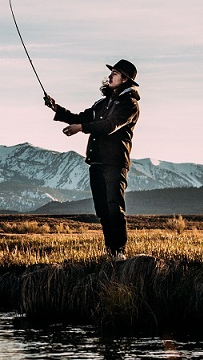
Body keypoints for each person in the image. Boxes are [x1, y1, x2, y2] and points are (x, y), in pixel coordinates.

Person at [44, 59, 140, 262]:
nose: (110, 75)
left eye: (115, 73)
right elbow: (82, 117)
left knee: (115, 208)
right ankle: (110, 252)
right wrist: (56, 108)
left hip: (115, 163)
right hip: (96, 161)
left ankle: (119, 252)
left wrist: (81, 128)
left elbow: (109, 126)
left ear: (125, 79)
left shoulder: (129, 104)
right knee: (103, 210)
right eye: (111, 72)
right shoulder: (102, 103)